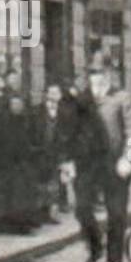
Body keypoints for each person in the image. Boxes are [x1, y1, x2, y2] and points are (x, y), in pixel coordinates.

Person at [71, 58, 131, 262]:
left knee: (116, 210)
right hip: (88, 163)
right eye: (92, 71)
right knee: (82, 208)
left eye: (100, 71)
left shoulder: (121, 97)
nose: (96, 76)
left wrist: (129, 158)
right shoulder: (83, 99)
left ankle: (115, 257)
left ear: (110, 73)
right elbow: (72, 130)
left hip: (114, 160)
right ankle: (94, 248)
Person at [0, 93, 41, 235]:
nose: (17, 107)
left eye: (19, 105)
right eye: (14, 104)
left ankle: (22, 223)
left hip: (22, 163)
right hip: (5, 163)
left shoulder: (26, 120)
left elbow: (31, 139)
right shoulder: (0, 120)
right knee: (4, 196)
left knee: (21, 195)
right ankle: (1, 224)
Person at [30, 82, 77, 223]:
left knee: (55, 183)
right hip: (41, 151)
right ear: (46, 95)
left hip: (57, 152)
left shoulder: (64, 113)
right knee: (41, 183)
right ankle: (40, 212)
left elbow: (68, 132)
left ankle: (53, 212)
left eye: (57, 93)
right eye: (51, 93)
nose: (54, 97)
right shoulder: (37, 111)